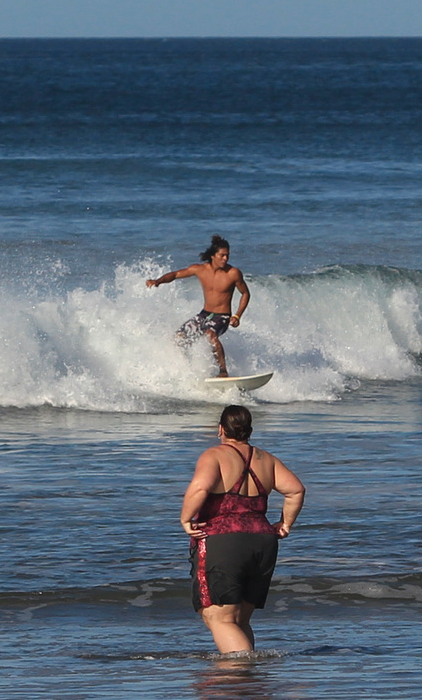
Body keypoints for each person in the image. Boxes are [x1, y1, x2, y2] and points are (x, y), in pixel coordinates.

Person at [180, 405, 306, 654]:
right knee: (239, 620)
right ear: (250, 431)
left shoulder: (215, 455)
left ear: (220, 429)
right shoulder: (266, 459)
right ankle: (249, 682)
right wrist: (285, 523)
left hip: (223, 539)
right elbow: (296, 490)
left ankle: (240, 673)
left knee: (220, 619)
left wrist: (185, 519)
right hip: (262, 541)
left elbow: (200, 487)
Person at [146, 235, 250, 377]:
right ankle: (187, 369)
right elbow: (176, 274)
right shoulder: (200, 269)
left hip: (222, 316)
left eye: (227, 255)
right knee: (179, 337)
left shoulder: (233, 273)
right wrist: (158, 281)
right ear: (213, 256)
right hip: (205, 314)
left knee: (210, 334)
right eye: (222, 255)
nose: (226, 259)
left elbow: (245, 294)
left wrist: (237, 315)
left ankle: (223, 372)